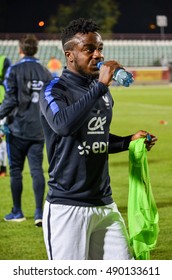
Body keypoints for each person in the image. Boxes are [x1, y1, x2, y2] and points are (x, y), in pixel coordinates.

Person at [39, 18, 157, 259]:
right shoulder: (54, 90)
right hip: (67, 206)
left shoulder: (100, 91)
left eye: (100, 48)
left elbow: (97, 137)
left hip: (104, 204)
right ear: (69, 55)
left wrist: (127, 141)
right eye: (89, 49)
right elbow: (63, 125)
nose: (98, 55)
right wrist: (99, 87)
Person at [0, 34, 52, 226]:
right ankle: (39, 213)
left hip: (17, 129)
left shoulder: (14, 69)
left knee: (15, 171)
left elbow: (10, 99)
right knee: (37, 170)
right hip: (39, 129)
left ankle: (17, 212)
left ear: (20, 49)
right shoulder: (46, 72)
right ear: (36, 49)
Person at [0, 54, 11, 176]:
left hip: (1, 104)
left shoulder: (4, 60)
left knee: (1, 137)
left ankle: (2, 168)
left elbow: (8, 80)